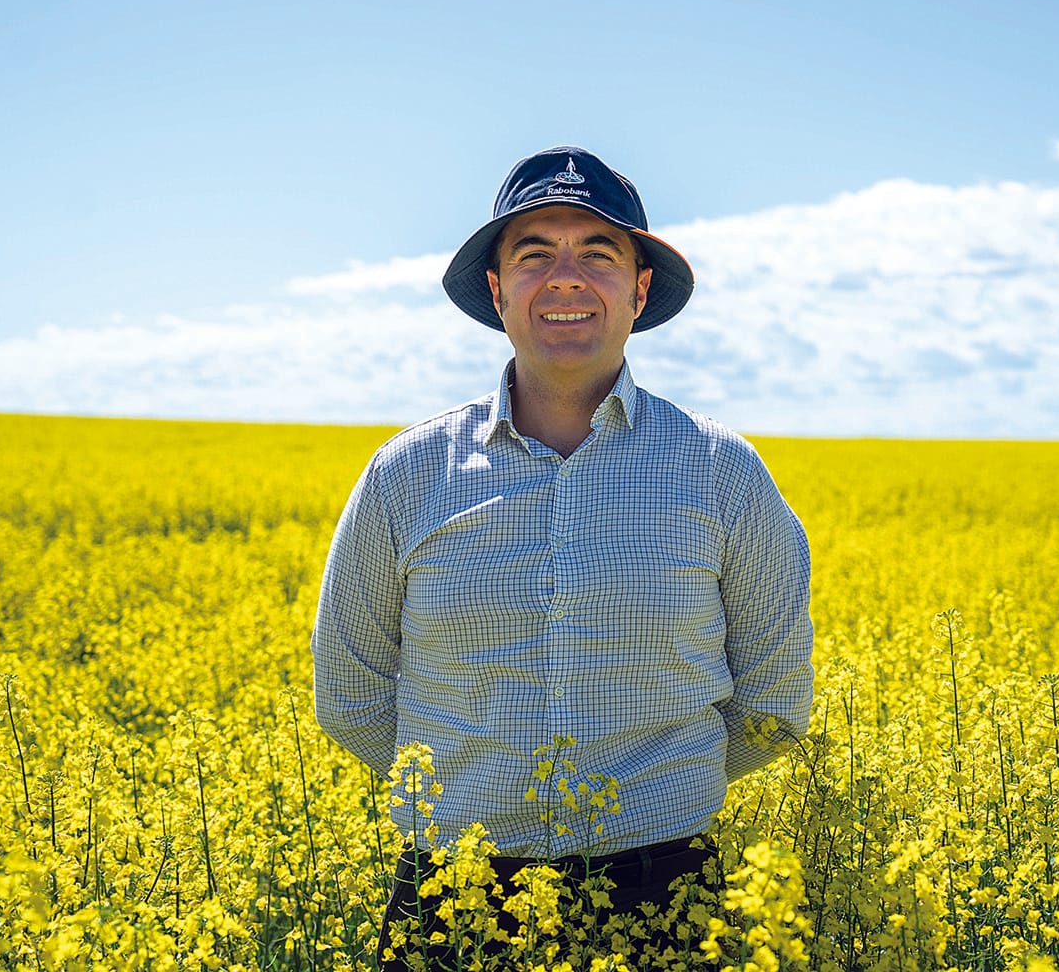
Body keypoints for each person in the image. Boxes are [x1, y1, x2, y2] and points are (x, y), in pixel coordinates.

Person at [311, 146, 814, 967]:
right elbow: (351, 691)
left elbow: (774, 700)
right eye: (535, 253)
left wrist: (652, 805)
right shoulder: (407, 474)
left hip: (665, 894)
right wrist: (465, 803)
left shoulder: (723, 474)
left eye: (600, 254)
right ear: (497, 288)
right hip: (453, 894)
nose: (567, 278)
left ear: (639, 289)